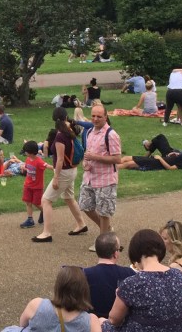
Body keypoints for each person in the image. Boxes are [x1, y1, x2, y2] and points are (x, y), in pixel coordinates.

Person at [102, 229, 182, 332]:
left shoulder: (132, 283)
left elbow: (114, 320)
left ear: (135, 253)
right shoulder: (179, 275)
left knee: (98, 322)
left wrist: (119, 294)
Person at [33, 108, 88, 243]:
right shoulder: (69, 131)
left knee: (46, 200)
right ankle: (81, 224)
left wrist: (56, 177)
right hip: (71, 170)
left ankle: (46, 233)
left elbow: (60, 159)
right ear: (66, 117)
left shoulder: (59, 136)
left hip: (63, 172)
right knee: (69, 197)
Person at [0, 265, 101, 332]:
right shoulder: (91, 321)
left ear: (58, 286)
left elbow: (22, 324)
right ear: (84, 290)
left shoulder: (37, 305)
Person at [80, 104, 122, 245]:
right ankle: (107, 231)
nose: (95, 119)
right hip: (89, 178)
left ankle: (103, 242)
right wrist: (84, 163)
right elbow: (87, 154)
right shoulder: (89, 132)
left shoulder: (111, 135)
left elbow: (117, 159)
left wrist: (95, 157)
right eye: (93, 116)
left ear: (106, 117)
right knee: (85, 206)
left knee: (104, 213)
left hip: (105, 180)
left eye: (99, 116)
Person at [83, 232, 136, 318]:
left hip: (92, 322)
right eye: (120, 249)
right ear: (115, 253)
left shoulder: (84, 274)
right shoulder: (129, 274)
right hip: (120, 323)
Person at [19, 140, 51, 229]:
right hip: (28, 185)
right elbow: (28, 167)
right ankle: (30, 219)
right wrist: (24, 167)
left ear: (31, 152)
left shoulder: (39, 161)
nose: (25, 152)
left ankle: (44, 212)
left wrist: (55, 169)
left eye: (26, 151)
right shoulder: (28, 159)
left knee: (36, 203)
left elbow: (47, 166)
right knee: (28, 202)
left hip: (37, 187)